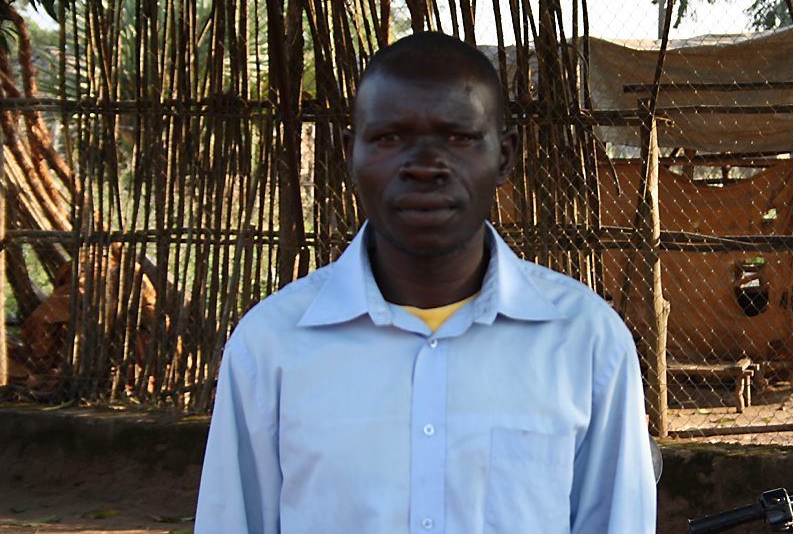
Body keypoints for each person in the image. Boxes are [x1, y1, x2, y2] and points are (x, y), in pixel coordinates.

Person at [194, 32, 657, 534]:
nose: (424, 166)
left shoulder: (586, 343)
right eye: (390, 137)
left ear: (503, 157)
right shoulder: (270, 348)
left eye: (458, 137)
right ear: (351, 154)